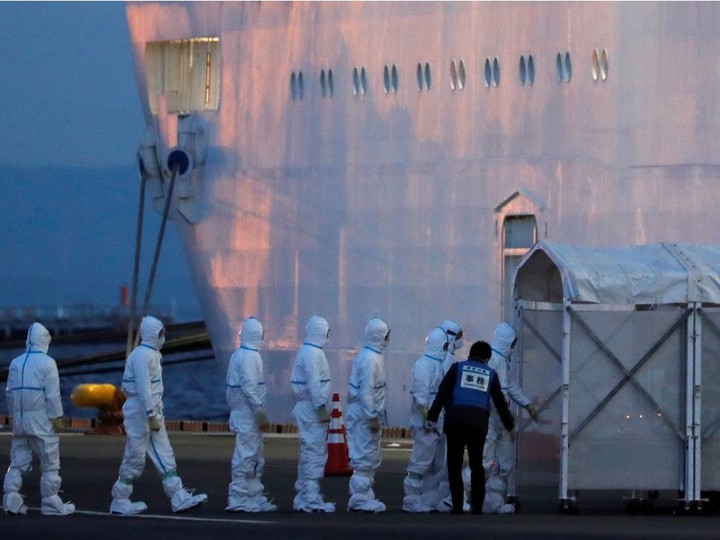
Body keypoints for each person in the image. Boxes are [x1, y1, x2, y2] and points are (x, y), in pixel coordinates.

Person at [110, 316, 208, 515]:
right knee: (135, 455)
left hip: (150, 411)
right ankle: (120, 499)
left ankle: (177, 495)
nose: (163, 337)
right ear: (152, 334)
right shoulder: (142, 356)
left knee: (164, 453)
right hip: (142, 412)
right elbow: (143, 387)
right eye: (161, 333)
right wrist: (151, 413)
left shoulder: (152, 354)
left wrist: (154, 412)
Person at [426, 340, 515, 514]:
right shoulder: (490, 374)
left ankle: (457, 506)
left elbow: (442, 393)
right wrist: (510, 426)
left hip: (455, 421)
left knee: (454, 464)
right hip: (478, 423)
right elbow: (500, 403)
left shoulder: (457, 368)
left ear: (470, 354)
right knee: (476, 465)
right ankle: (477, 507)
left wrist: (432, 417)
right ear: (487, 359)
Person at [2, 322, 75, 516]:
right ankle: (51, 501)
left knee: (17, 460)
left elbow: (9, 393)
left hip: (20, 420)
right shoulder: (47, 362)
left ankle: (10, 498)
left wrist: (14, 416)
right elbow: (52, 394)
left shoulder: (15, 362)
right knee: (50, 460)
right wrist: (57, 417)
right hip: (40, 419)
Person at [483, 322, 539, 514]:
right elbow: (494, 396)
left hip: (502, 421)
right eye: (513, 342)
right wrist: (509, 418)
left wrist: (527, 404)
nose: (514, 347)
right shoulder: (492, 360)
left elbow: (511, 386)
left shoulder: (503, 361)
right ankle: (458, 497)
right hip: (492, 420)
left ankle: (493, 501)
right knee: (484, 461)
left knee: (503, 464)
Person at [226, 317, 276, 512]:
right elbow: (249, 386)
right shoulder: (250, 357)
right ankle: (238, 496)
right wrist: (259, 411)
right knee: (246, 454)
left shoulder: (241, 355)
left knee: (255, 455)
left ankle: (253, 494)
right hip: (248, 413)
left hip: (246, 412)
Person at [290, 315, 335, 512]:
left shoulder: (308, 352)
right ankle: (310, 497)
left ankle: (305, 493)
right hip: (311, 409)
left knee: (309, 450)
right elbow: (314, 383)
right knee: (314, 452)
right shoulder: (313, 354)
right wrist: (320, 407)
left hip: (307, 407)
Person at [346, 317, 391, 513]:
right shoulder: (370, 360)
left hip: (367, 414)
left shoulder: (372, 356)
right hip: (364, 416)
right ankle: (359, 499)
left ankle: (364, 495)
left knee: (370, 455)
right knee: (364, 456)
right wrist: (371, 415)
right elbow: (366, 391)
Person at [402, 326, 449, 512]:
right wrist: (427, 419)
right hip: (427, 425)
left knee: (433, 463)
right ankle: (411, 499)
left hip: (435, 423)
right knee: (420, 462)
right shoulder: (424, 364)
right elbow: (421, 397)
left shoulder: (435, 364)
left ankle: (424, 497)